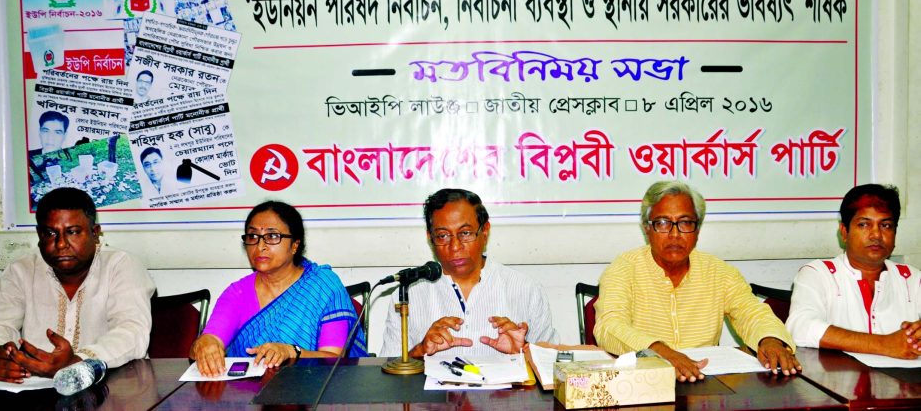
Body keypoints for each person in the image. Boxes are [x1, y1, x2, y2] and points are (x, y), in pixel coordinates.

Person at [594, 181, 800, 382]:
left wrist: (770, 339)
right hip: (644, 385)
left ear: (698, 230)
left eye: (685, 223)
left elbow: (752, 312)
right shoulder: (623, 269)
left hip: (703, 383)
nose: (675, 235)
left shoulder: (719, 272)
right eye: (663, 223)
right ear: (647, 229)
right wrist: (660, 352)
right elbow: (609, 326)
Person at [190, 201, 367, 377]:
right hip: (249, 397)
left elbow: (333, 359)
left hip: (315, 394)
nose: (260, 246)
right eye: (253, 237)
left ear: (295, 245)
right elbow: (210, 339)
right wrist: (205, 344)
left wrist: (293, 352)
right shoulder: (237, 293)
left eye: (272, 236)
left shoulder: (323, 286)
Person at [0, 187, 155, 382]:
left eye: (72, 232)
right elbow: (1, 325)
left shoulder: (121, 265)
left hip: (113, 388)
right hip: (35, 389)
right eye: (50, 233)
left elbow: (132, 332)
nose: (61, 244)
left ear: (95, 233)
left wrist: (79, 361)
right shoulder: (20, 271)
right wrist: (3, 356)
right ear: (39, 235)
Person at [380, 188, 558, 358]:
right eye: (443, 235)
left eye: (465, 233)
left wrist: (524, 351)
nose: (455, 246)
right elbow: (386, 373)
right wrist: (419, 351)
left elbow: (554, 366)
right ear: (430, 237)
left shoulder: (526, 289)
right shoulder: (407, 294)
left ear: (485, 231)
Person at [787, 184, 921, 359]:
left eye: (886, 225)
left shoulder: (911, 278)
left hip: (905, 383)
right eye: (864, 224)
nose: (876, 235)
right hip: (837, 383)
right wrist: (885, 344)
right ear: (844, 232)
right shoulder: (819, 274)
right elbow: (800, 327)